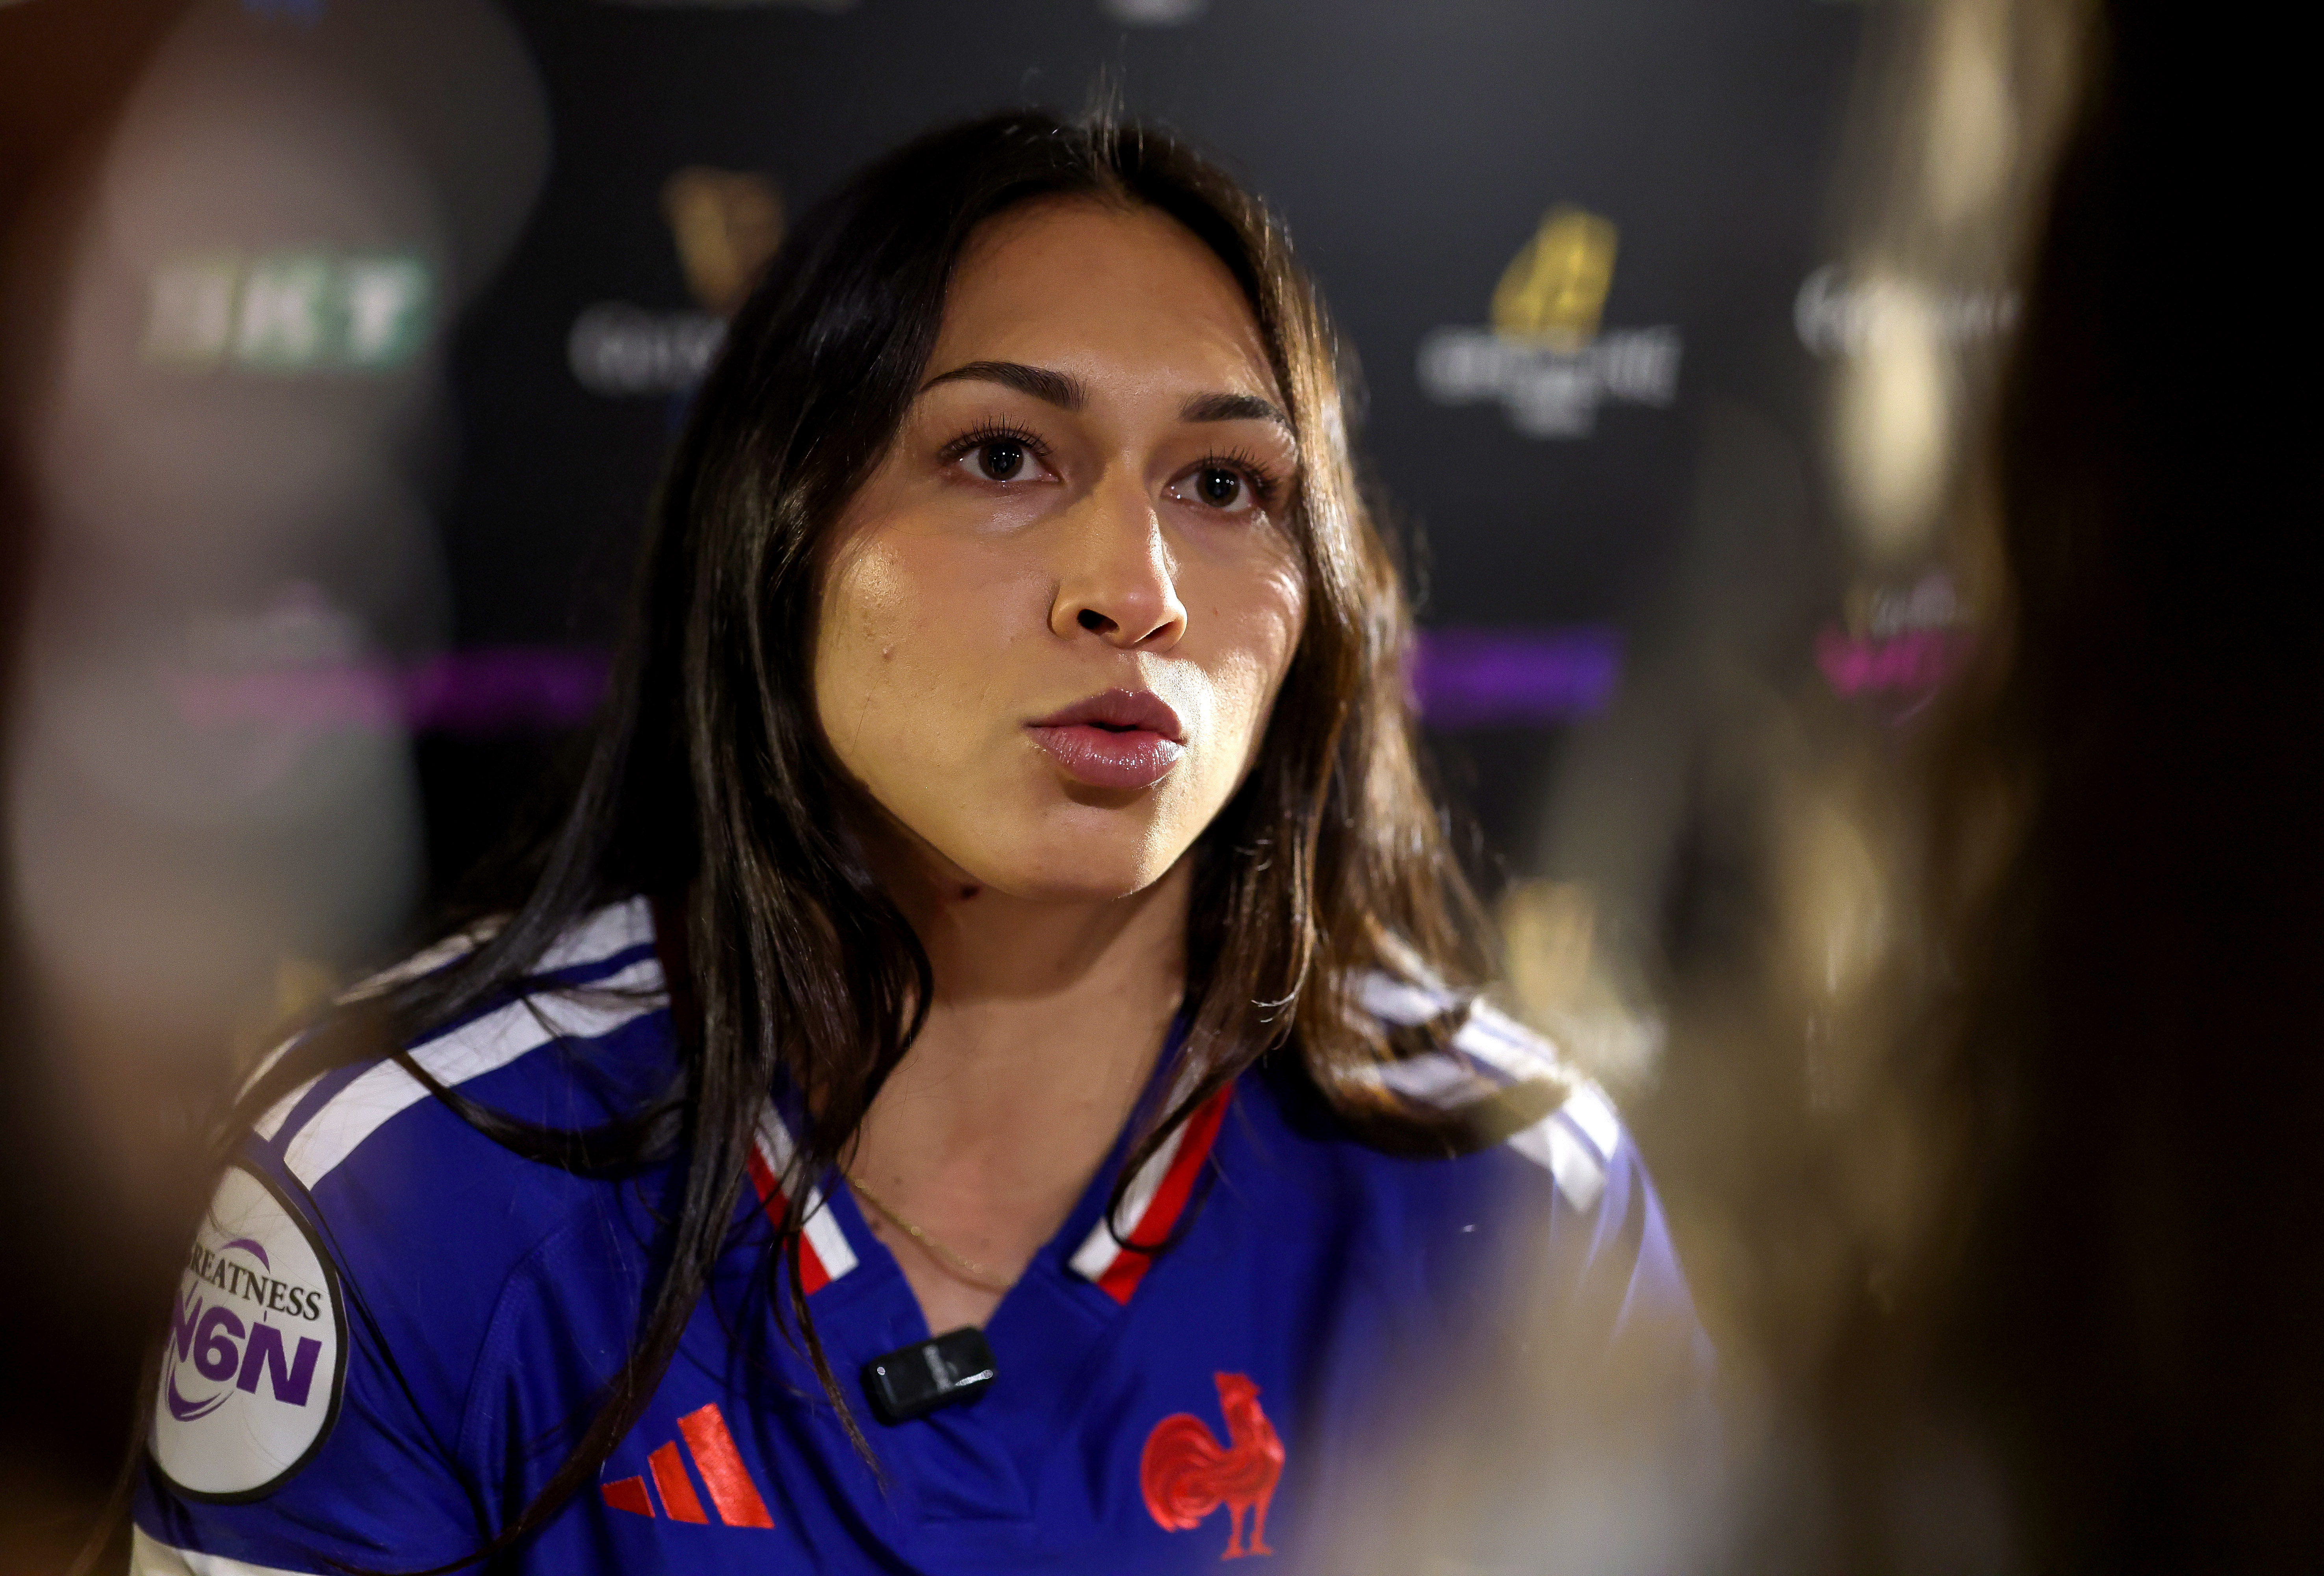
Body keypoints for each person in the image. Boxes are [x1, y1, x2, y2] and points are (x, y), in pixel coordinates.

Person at [128, 113, 1706, 1574]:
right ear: (781, 533)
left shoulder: (1516, 1195)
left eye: (1225, 483)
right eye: (1005, 455)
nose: (1135, 588)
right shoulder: (405, 1174)